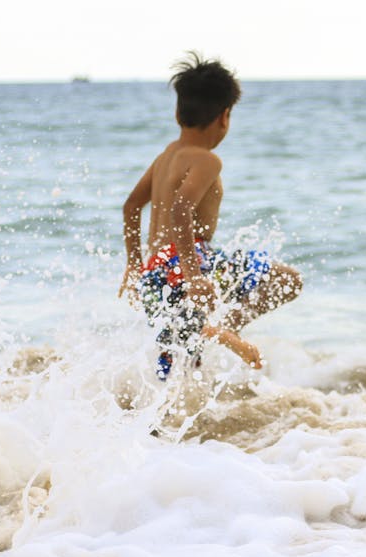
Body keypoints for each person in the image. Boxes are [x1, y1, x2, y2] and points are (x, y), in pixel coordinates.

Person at [118, 52, 301, 380]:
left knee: (179, 364)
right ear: (225, 117)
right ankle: (221, 329)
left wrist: (133, 264)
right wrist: (193, 275)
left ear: (177, 112)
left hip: (155, 268)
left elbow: (131, 207)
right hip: (186, 261)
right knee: (287, 279)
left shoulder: (166, 156)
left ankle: (168, 419)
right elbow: (180, 210)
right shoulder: (206, 160)